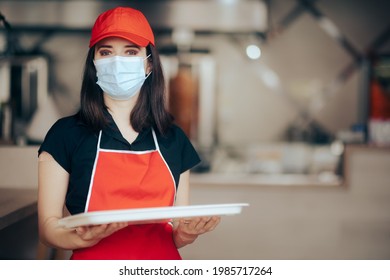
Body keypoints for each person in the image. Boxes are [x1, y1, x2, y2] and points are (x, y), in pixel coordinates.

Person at [38, 6, 220, 260]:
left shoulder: (174, 138)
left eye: (131, 52)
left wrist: (188, 233)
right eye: (106, 52)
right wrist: (79, 237)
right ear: (94, 63)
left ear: (148, 65)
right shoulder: (65, 135)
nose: (117, 62)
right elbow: (48, 227)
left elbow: (174, 231)